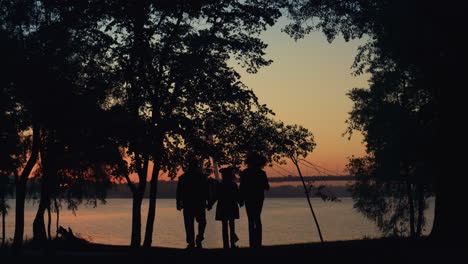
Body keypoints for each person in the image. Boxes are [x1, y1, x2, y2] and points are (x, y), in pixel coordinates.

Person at [176, 159, 212, 249]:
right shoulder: (201, 177)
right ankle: (197, 239)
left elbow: (179, 192)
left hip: (190, 203)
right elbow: (206, 191)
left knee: (190, 223)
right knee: (199, 222)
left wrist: (178, 203)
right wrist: (209, 202)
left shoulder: (184, 177)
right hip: (198, 203)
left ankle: (193, 241)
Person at [239, 152, 269, 248]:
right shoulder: (262, 173)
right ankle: (258, 242)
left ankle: (252, 242)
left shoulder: (245, 173)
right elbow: (267, 187)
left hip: (248, 198)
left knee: (251, 219)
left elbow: (242, 187)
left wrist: (241, 199)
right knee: (257, 218)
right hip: (259, 198)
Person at [215, 167, 243, 249]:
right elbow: (237, 195)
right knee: (232, 225)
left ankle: (226, 244)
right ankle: (232, 243)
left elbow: (216, 196)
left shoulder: (220, 185)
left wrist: (210, 204)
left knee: (224, 226)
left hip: (223, 206)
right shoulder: (233, 185)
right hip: (231, 206)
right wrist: (240, 202)